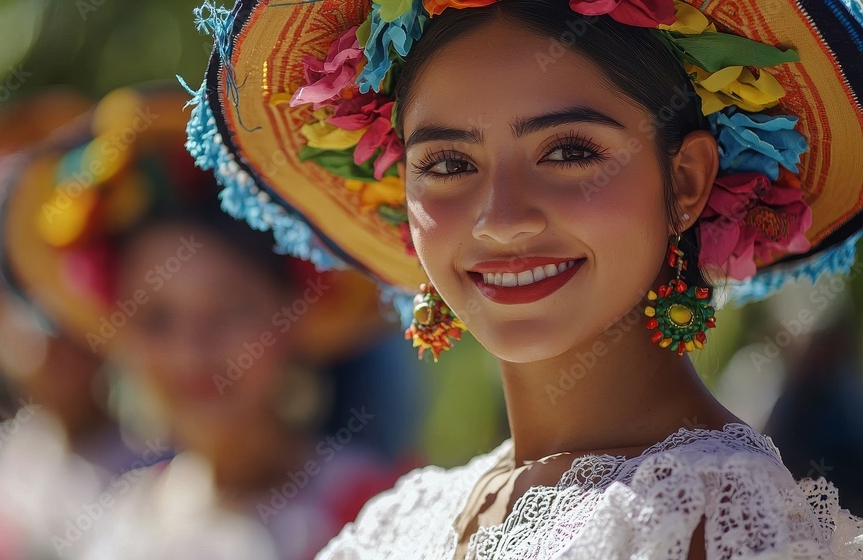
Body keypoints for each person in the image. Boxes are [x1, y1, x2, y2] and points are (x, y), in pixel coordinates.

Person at [185, 0, 863, 558]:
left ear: (685, 180)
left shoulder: (712, 519)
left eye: (568, 151)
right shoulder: (399, 522)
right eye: (449, 164)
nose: (501, 221)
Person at [0, 85, 419, 560]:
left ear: (294, 311)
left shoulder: (394, 520)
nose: (192, 352)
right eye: (157, 320)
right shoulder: (117, 529)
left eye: (231, 310)